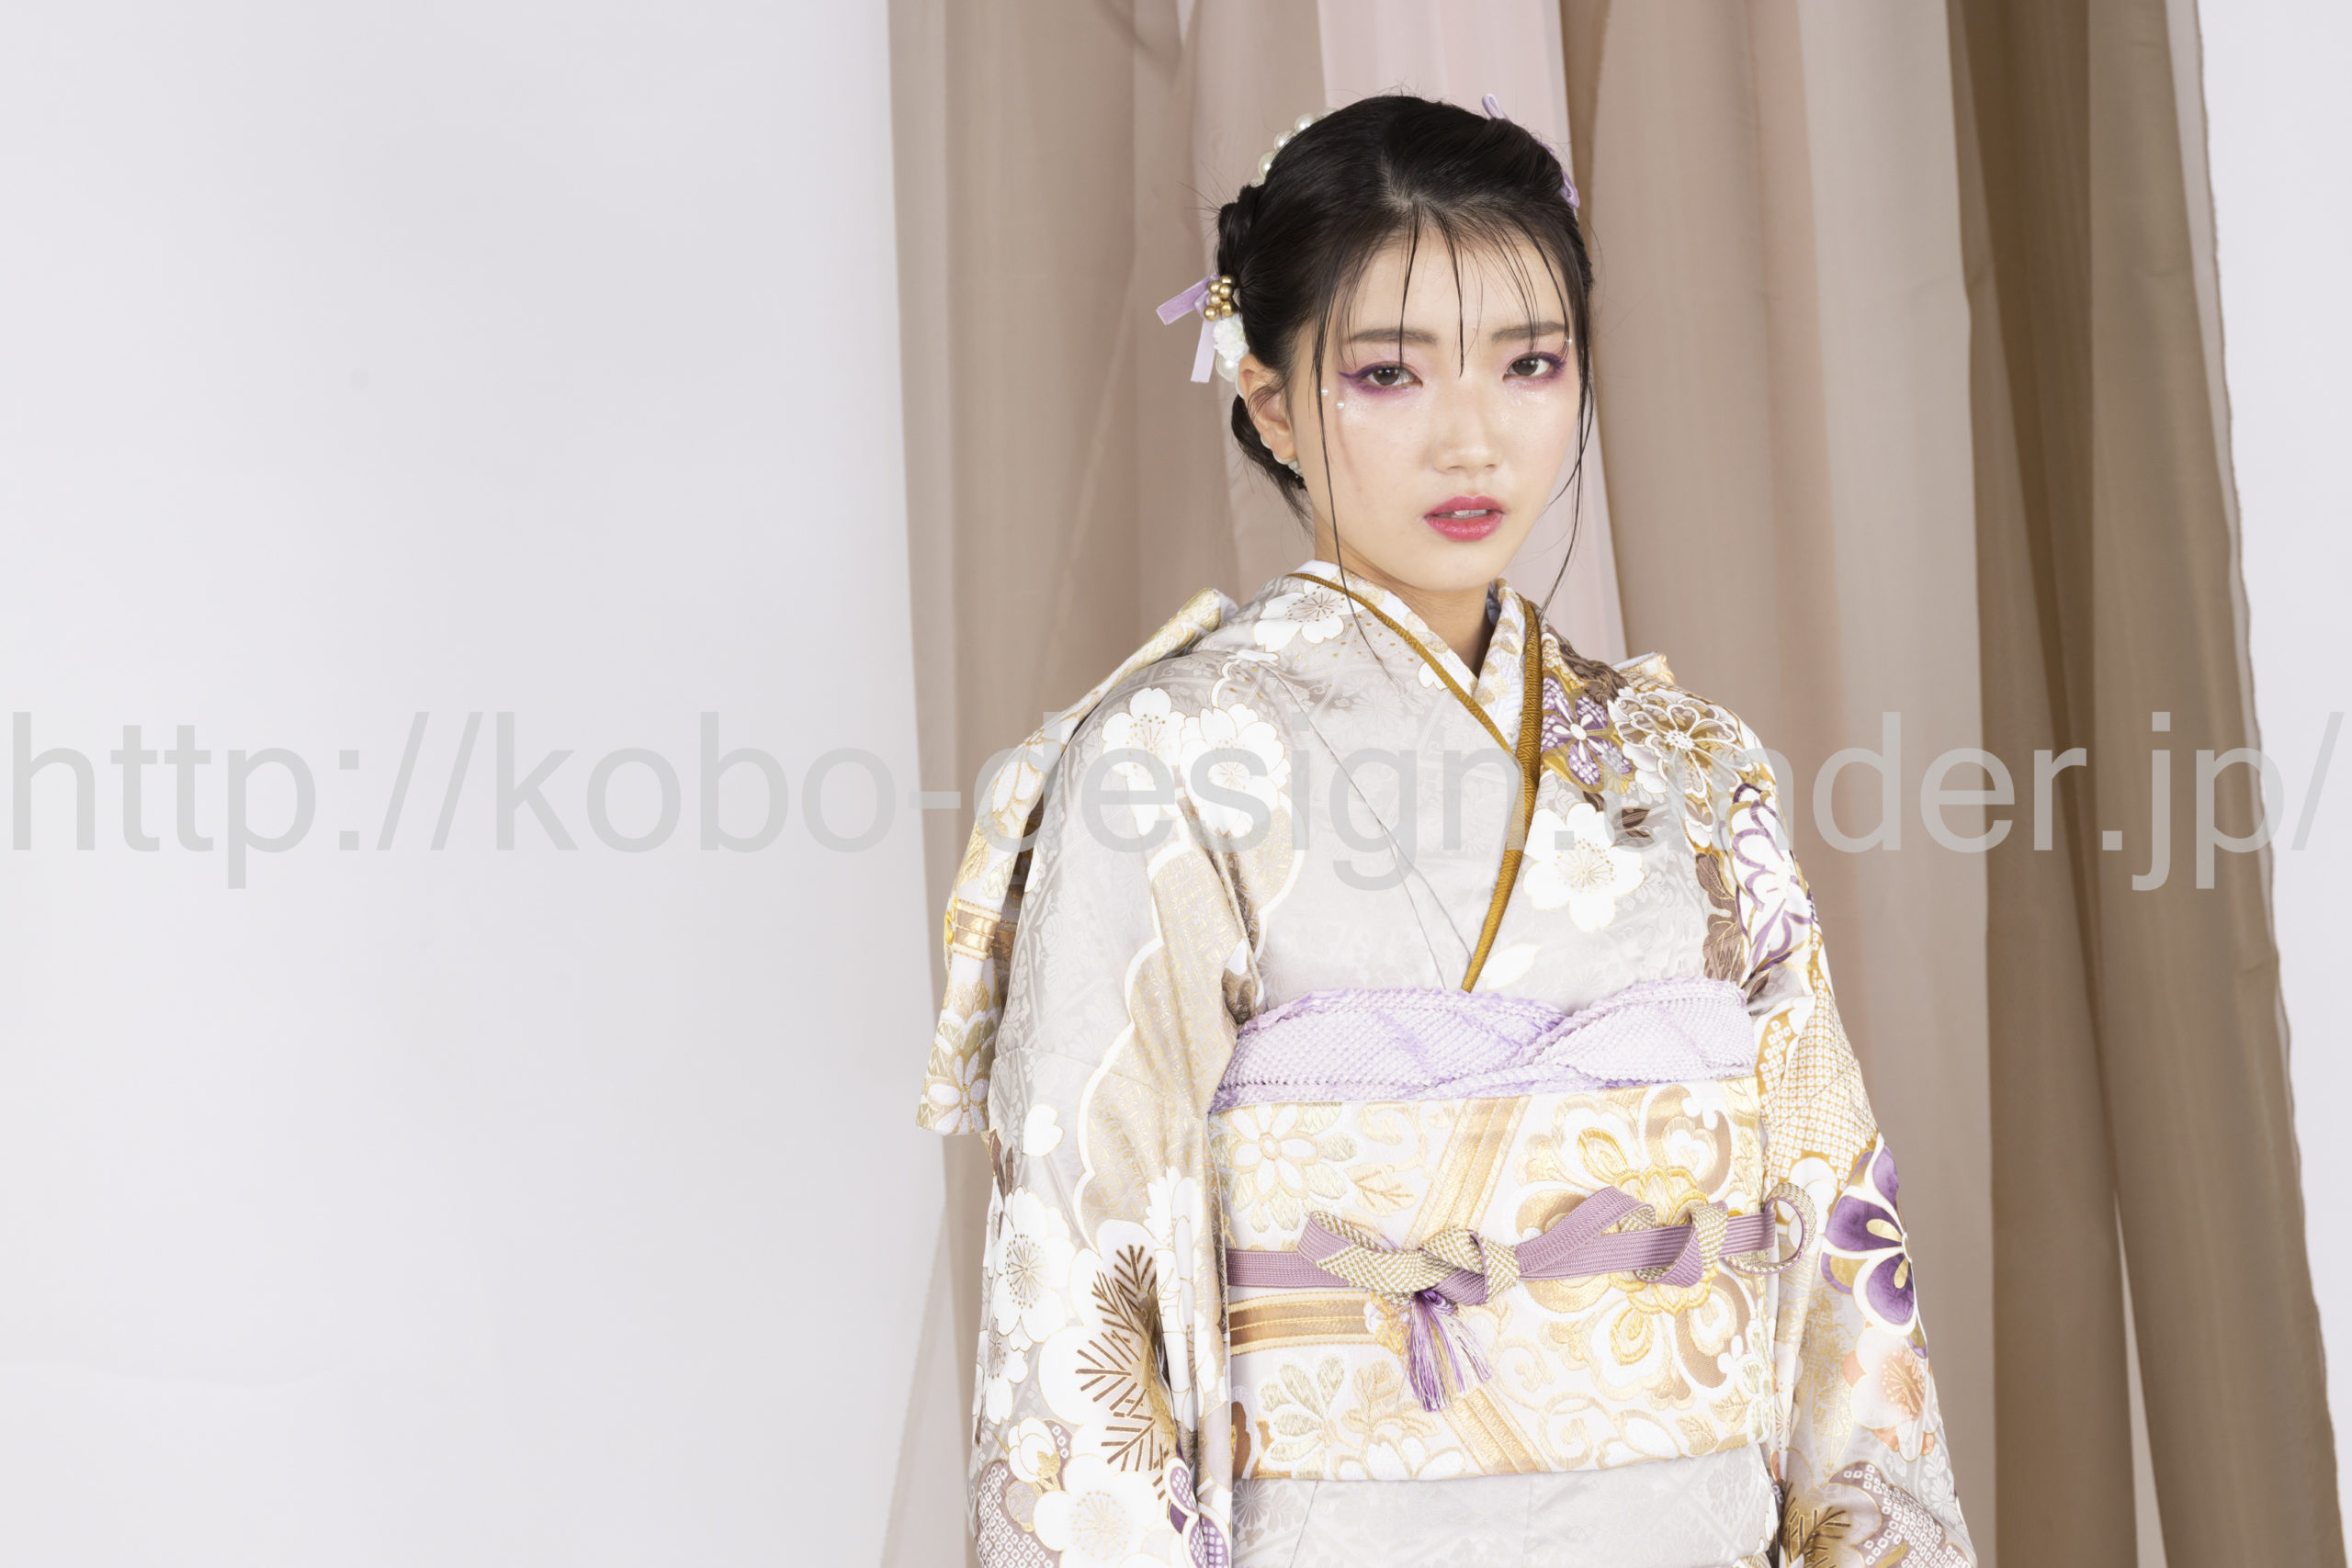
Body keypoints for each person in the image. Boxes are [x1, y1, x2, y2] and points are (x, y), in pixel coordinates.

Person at [916, 92, 1973, 1568]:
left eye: (1531, 363)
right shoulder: (1166, 763)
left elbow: (1834, 1225)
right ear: (1271, 401)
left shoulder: (1694, 764)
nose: (1473, 437)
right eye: (1387, 374)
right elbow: (1079, 1275)